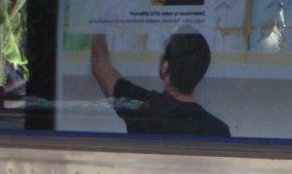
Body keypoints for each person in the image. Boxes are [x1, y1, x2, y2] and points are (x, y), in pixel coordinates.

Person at [90, 30, 231, 136]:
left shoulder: (141, 106)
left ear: (165, 67)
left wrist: (100, 20)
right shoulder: (218, 130)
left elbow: (99, 64)